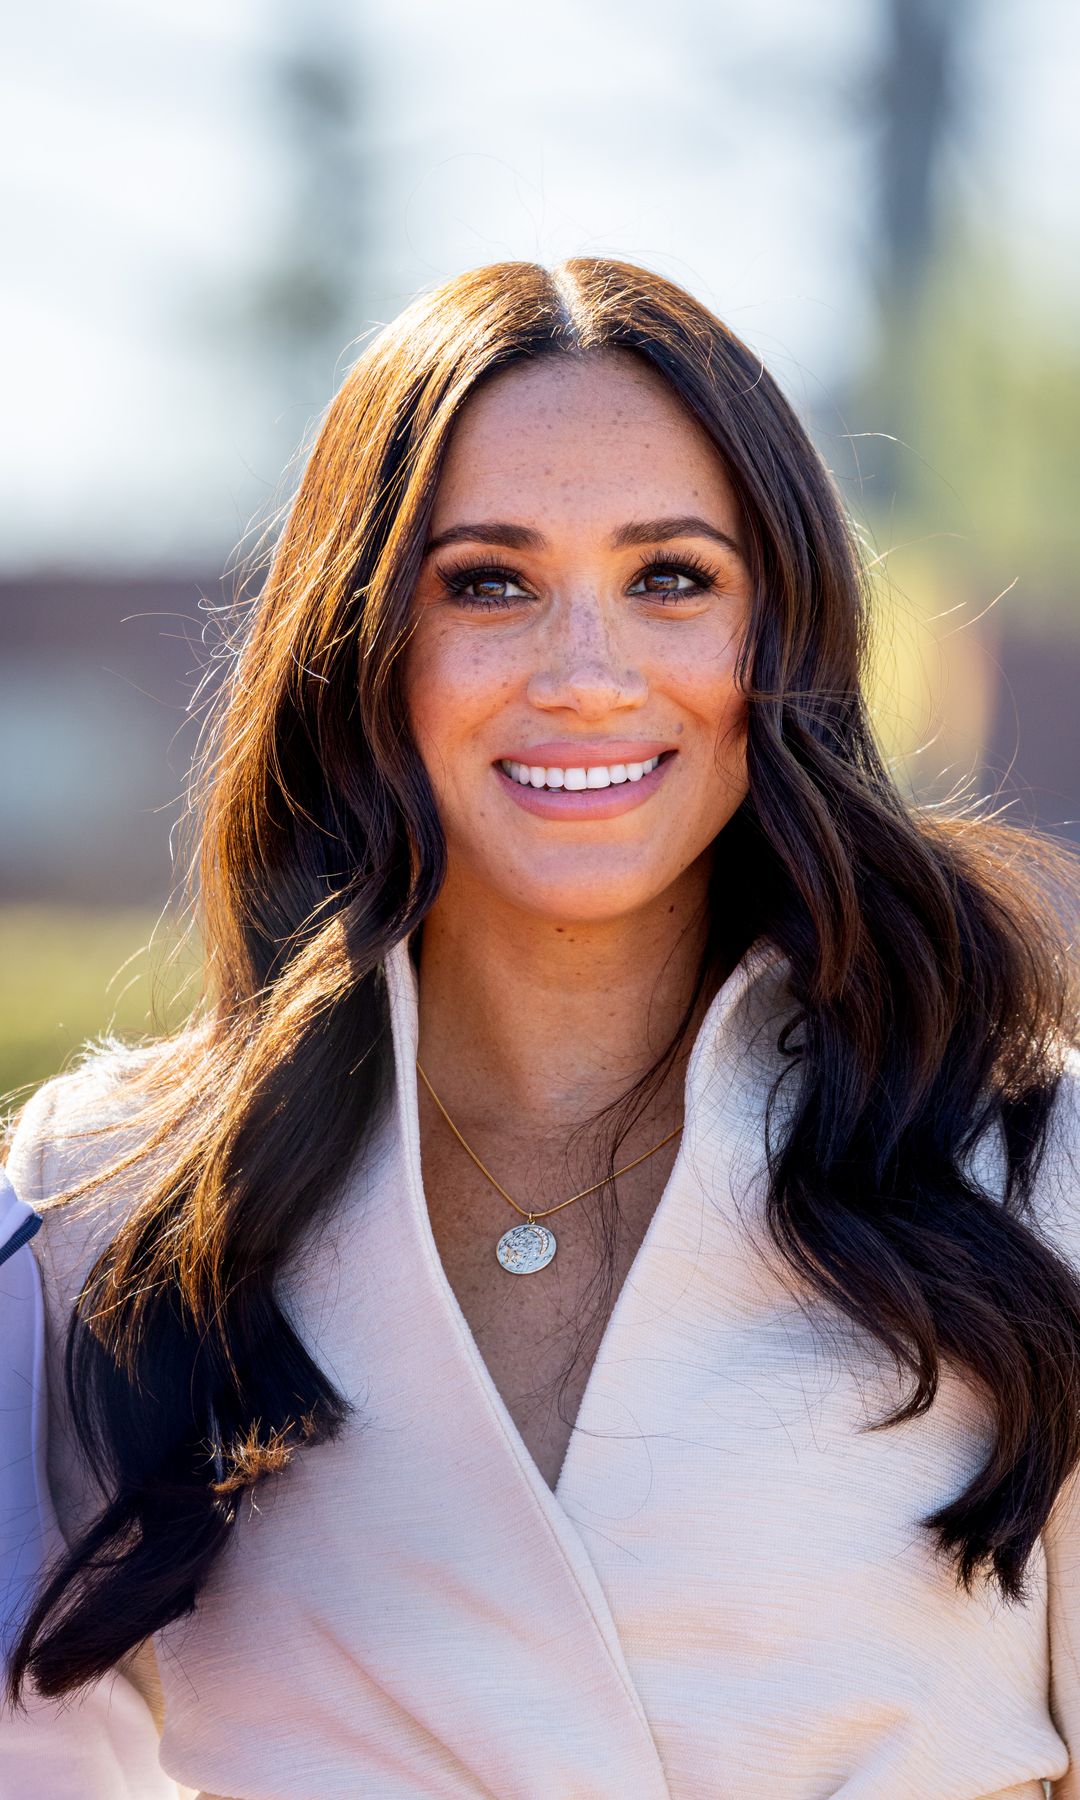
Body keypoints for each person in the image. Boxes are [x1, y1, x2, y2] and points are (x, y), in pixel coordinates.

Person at [2, 256, 1079, 1800]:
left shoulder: (1034, 1175)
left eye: (672, 579)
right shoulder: (108, 1207)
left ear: (778, 639)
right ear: (360, 647)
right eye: (487, 582)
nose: (586, 674)